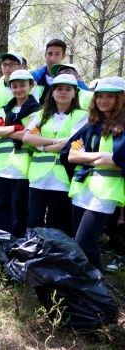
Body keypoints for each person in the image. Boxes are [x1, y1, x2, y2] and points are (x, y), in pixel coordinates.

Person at [64, 76, 125, 270]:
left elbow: (117, 160)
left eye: (110, 96)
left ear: (120, 99)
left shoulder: (122, 127)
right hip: (82, 188)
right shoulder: (91, 125)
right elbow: (71, 155)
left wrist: (87, 155)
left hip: (106, 191)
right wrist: (101, 157)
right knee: (78, 243)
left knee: (85, 242)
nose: (103, 101)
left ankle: (98, 289)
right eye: (99, 96)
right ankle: (84, 286)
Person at [23, 74, 88, 234]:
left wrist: (41, 145)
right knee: (33, 221)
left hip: (63, 177)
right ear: (52, 92)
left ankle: (56, 257)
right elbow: (26, 137)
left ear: (75, 93)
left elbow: (71, 143)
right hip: (38, 177)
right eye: (59, 88)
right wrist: (54, 142)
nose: (63, 92)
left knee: (58, 222)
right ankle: (32, 254)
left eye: (68, 89)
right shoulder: (42, 114)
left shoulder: (82, 115)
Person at [0, 69, 41, 236]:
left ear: (31, 86)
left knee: (19, 208)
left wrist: (5, 130)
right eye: (15, 86)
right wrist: (17, 128)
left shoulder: (38, 111)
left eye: (22, 85)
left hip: (22, 167)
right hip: (2, 165)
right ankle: (0, 239)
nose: (18, 89)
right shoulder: (4, 109)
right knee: (1, 205)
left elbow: (30, 135)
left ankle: (16, 242)